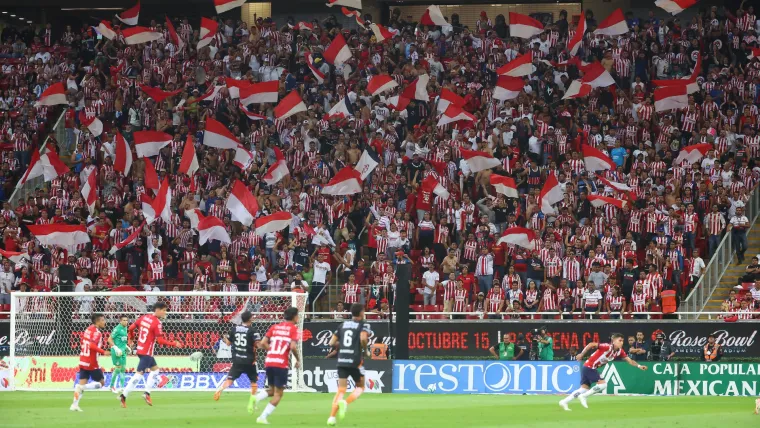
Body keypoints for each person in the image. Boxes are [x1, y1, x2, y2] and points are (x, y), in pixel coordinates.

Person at [559, 333, 647, 410]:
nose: (621, 342)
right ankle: (584, 396)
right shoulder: (607, 346)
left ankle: (564, 401)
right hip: (590, 367)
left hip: (588, 367)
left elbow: (630, 361)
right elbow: (591, 344)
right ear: (613, 341)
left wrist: (639, 366)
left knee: (584, 388)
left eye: (622, 341)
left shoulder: (620, 351)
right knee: (603, 384)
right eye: (619, 340)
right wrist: (582, 354)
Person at [120, 302, 183, 408]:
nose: (164, 312)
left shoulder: (144, 317)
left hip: (140, 349)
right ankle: (124, 395)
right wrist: (174, 343)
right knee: (139, 375)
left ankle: (147, 393)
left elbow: (130, 328)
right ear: (157, 310)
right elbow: (160, 341)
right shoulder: (157, 323)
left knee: (155, 370)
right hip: (147, 352)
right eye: (163, 310)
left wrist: (131, 339)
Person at [255, 307, 301, 425]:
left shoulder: (274, 327)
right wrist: (298, 359)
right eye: (298, 315)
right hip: (281, 364)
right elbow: (293, 347)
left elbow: (262, 343)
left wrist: (272, 351)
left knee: (271, 389)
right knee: (278, 394)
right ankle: (262, 417)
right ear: (295, 316)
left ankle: (254, 398)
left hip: (269, 361)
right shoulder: (294, 329)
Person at [327, 303, 370, 426]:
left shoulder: (342, 325)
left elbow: (331, 342)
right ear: (361, 312)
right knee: (361, 387)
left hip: (341, 360)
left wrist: (344, 346)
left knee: (341, 390)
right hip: (355, 360)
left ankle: (331, 417)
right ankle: (346, 403)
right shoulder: (363, 324)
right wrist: (366, 350)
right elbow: (362, 338)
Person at [214, 311, 262, 414]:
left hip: (237, 360)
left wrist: (225, 336)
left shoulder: (234, 329)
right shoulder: (253, 331)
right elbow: (258, 345)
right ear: (250, 319)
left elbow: (227, 343)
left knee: (230, 380)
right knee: (253, 382)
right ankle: (252, 403)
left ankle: (220, 389)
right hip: (249, 361)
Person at [71, 313, 111, 411]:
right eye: (103, 320)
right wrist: (103, 352)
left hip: (83, 359)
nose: (104, 322)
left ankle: (74, 405)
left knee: (81, 384)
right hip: (91, 362)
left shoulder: (88, 329)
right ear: (97, 321)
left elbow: (85, 343)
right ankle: (81, 388)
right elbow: (92, 346)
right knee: (101, 383)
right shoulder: (97, 332)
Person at [108, 315, 131, 393]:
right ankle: (111, 386)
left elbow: (122, 341)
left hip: (123, 351)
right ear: (120, 321)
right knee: (118, 368)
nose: (125, 322)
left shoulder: (125, 328)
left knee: (123, 369)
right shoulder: (117, 329)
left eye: (126, 320)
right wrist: (116, 348)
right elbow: (109, 339)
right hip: (116, 351)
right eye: (124, 320)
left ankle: (121, 387)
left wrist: (126, 346)